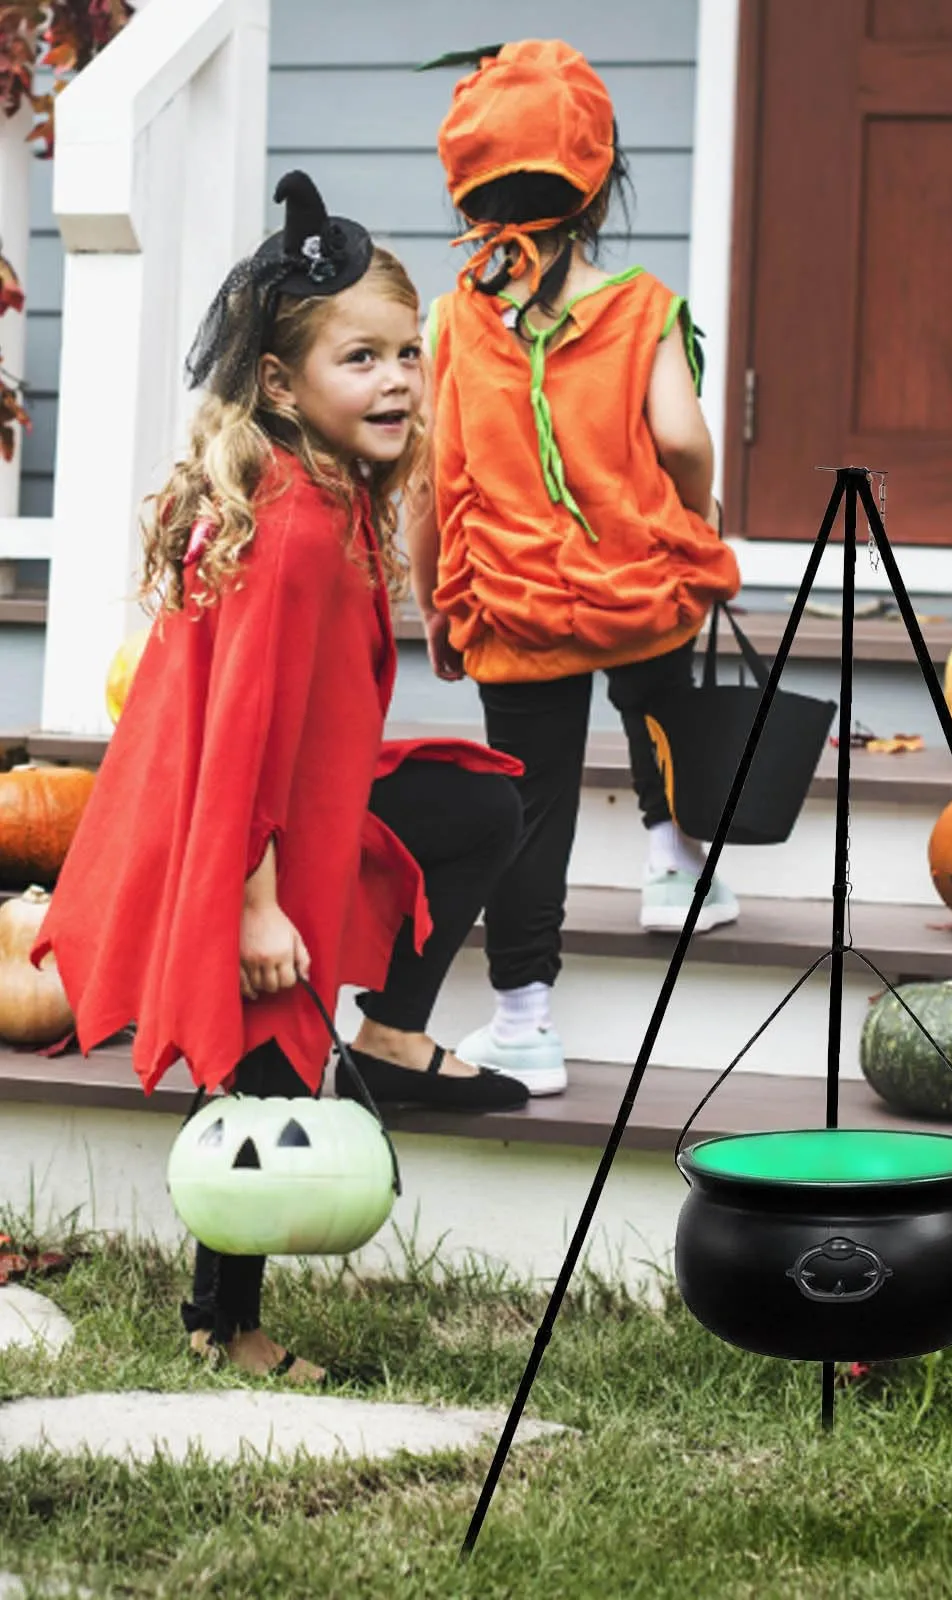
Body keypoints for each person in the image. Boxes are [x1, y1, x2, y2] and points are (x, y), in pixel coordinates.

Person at [33, 172, 530, 1385]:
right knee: (261, 1066)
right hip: (241, 834)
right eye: (360, 358)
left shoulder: (324, 493)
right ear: (279, 382)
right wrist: (257, 904)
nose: (400, 380)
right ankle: (224, 1322)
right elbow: (245, 729)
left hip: (301, 808)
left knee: (475, 805)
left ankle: (392, 1038)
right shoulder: (295, 526)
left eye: (409, 354)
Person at [406, 40, 743, 1096]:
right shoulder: (643, 306)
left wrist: (431, 597)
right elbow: (683, 441)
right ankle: (672, 865)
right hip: (637, 583)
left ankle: (526, 1021)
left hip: (513, 605)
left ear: (468, 185)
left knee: (532, 805)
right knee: (658, 702)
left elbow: (426, 476)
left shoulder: (455, 316)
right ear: (598, 181)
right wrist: (698, 514)